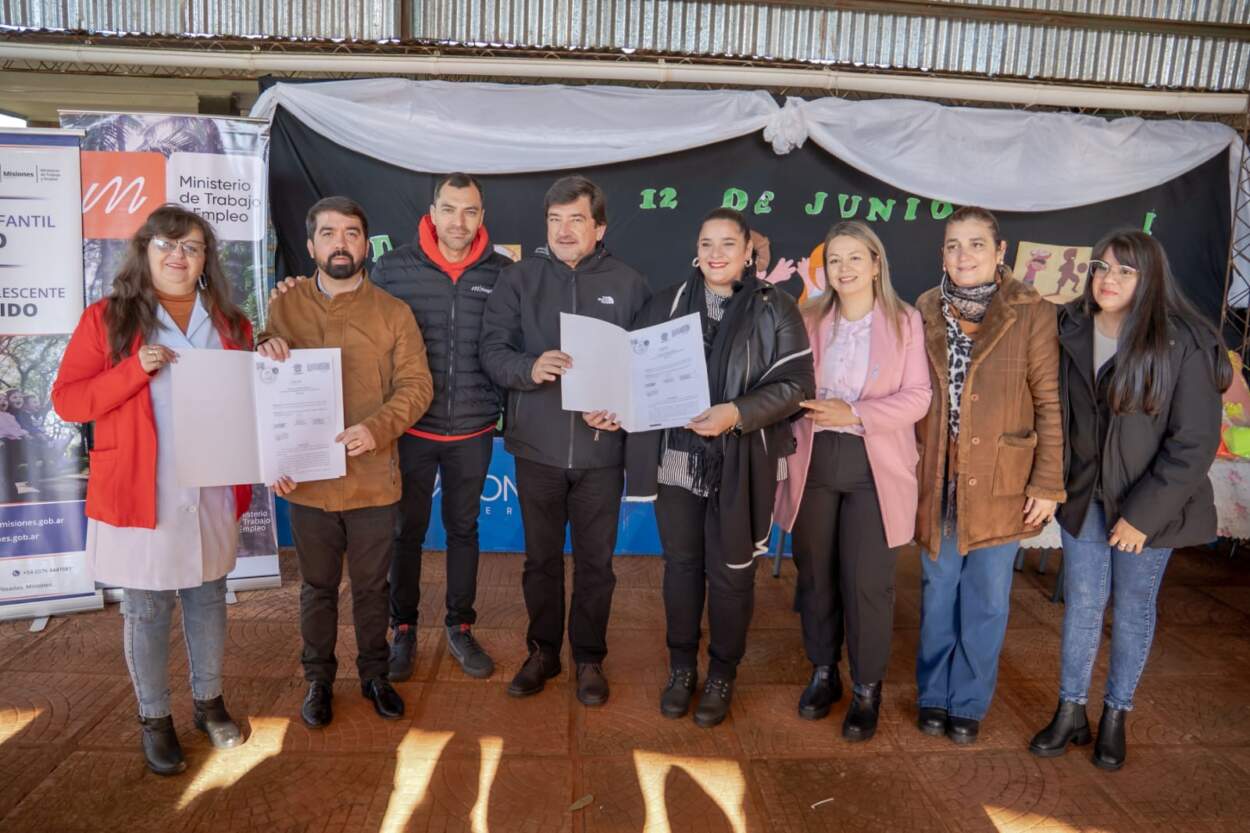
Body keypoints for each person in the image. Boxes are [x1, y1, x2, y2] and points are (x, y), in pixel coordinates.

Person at [52, 204, 253, 775]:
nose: (178, 257)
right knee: (146, 606)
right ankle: (155, 718)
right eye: (165, 246)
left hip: (209, 484)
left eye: (191, 247)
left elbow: (246, 400)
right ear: (144, 253)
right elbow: (68, 400)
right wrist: (133, 369)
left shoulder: (231, 322)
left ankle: (209, 703)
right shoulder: (107, 319)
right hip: (143, 488)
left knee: (210, 596)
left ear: (206, 259)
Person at [1028, 230, 1231, 770]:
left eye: (1124, 271)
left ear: (1150, 279)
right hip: (1083, 499)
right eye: (1101, 268)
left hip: (1149, 510)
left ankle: (1116, 715)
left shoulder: (1183, 341)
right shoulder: (1069, 326)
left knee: (1134, 609)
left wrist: (1142, 518)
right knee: (1083, 606)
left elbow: (1192, 445)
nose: (1108, 280)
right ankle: (1071, 711)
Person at [626, 208, 813, 727]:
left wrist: (737, 413)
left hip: (742, 461)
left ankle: (722, 673)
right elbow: (635, 371)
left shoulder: (776, 308)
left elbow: (797, 385)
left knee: (732, 575)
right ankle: (682, 667)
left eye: (728, 244)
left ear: (748, 251)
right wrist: (615, 401)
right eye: (707, 242)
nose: (716, 253)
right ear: (696, 247)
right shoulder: (667, 304)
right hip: (678, 462)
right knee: (682, 568)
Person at [257, 196, 433, 728]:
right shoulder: (283, 307)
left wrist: (375, 429)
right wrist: (263, 345)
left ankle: (374, 675)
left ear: (365, 244)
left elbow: (417, 385)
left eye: (352, 233)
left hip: (373, 481)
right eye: (329, 234)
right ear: (310, 246)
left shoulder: (393, 313)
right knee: (316, 588)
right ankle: (318, 680)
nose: (341, 243)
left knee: (373, 587)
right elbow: (264, 379)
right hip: (308, 482)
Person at [479, 175, 650, 706]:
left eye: (576, 219)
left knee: (597, 564)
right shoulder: (519, 280)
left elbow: (645, 370)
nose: (564, 230)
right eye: (555, 220)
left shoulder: (629, 284)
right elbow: (492, 352)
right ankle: (543, 652)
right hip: (538, 450)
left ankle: (590, 659)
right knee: (541, 561)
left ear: (598, 226)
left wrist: (623, 410)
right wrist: (530, 367)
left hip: (602, 455)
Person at [914, 206, 1065, 745]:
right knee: (937, 593)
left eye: (976, 244)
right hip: (940, 479)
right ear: (942, 255)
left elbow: (1049, 403)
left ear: (1000, 252)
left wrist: (1047, 484)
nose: (964, 256)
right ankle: (933, 694)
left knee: (987, 599)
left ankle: (969, 701)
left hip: (1002, 482)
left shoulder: (1031, 310)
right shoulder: (926, 308)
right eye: (954, 245)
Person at [774, 221, 931, 741]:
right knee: (816, 575)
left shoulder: (905, 321)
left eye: (854, 258)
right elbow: (785, 383)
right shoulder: (809, 317)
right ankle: (824, 671)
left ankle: (867, 687)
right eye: (834, 260)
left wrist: (853, 412)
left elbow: (918, 398)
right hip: (814, 461)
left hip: (874, 466)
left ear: (876, 263)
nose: (843, 269)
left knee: (868, 583)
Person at [372, 173, 512, 682]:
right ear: (432, 213)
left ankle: (460, 625)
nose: (459, 221)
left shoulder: (502, 272)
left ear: (481, 217)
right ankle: (402, 628)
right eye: (450, 209)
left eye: (470, 211)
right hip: (410, 427)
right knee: (405, 531)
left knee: (463, 530)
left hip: (473, 429)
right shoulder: (391, 269)